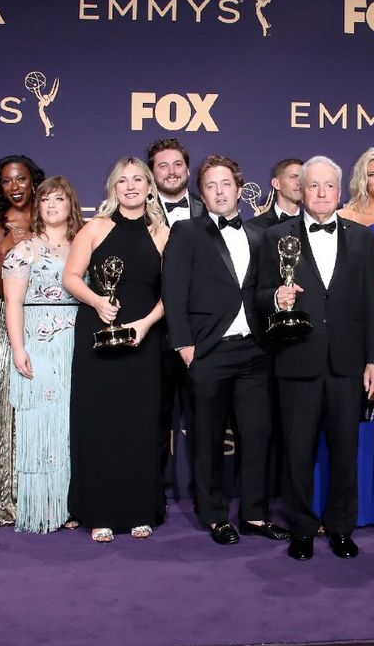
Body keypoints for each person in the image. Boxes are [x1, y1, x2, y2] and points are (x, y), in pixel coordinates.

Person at [258, 155, 374, 561]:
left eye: (329, 185)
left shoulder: (362, 238)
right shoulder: (277, 236)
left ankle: (343, 527)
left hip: (348, 365)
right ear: (301, 189)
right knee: (297, 453)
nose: (322, 193)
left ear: (340, 189)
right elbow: (258, 295)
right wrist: (275, 297)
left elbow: (371, 304)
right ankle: (302, 528)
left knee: (345, 452)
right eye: (313, 186)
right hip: (297, 360)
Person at [162, 154, 290, 546]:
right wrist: (185, 345)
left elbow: (260, 290)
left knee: (257, 435)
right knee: (207, 437)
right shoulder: (186, 231)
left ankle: (254, 514)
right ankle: (214, 514)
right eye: (211, 186)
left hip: (255, 350)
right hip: (208, 351)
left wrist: (279, 299)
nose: (219, 192)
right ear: (203, 193)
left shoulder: (258, 235)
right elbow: (174, 289)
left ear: (239, 188)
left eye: (226, 184)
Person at [64, 157, 169, 543]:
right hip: (97, 337)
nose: (130, 186)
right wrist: (96, 301)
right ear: (113, 187)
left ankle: (140, 509)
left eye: (137, 179)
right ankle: (100, 511)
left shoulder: (162, 234)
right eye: (122, 180)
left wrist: (144, 324)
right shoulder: (94, 228)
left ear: (148, 186)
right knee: (99, 424)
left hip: (143, 341)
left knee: (139, 425)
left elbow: (171, 294)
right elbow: (70, 277)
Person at [318, 145, 374, 528]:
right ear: (361, 178)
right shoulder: (340, 217)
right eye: (372, 174)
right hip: (343, 332)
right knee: (337, 421)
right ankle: (329, 507)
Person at [2, 177, 83, 533]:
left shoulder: (85, 247)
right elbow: (12, 303)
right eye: (45, 199)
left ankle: (75, 503)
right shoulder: (24, 250)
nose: (51, 205)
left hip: (77, 344)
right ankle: (44, 506)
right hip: (38, 341)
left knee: (72, 425)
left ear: (71, 206)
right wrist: (19, 348)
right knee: (42, 423)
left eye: (59, 199)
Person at [0, 155, 45, 527]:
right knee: (11, 408)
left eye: (21, 179)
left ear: (33, 181)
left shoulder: (53, 219)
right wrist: (6, 248)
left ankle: (52, 488)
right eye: (7, 182)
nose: (15, 187)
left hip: (54, 323)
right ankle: (12, 493)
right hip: (11, 325)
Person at [148, 138, 201, 506]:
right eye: (162, 165)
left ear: (187, 169)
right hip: (150, 332)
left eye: (177, 164)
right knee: (151, 417)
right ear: (152, 173)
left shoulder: (207, 210)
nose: (170, 171)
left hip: (199, 334)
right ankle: (150, 494)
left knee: (202, 418)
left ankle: (204, 495)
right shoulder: (136, 210)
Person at [247, 158, 303, 229]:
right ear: (276, 184)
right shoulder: (253, 227)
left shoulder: (314, 225)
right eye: (292, 177)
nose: (299, 183)